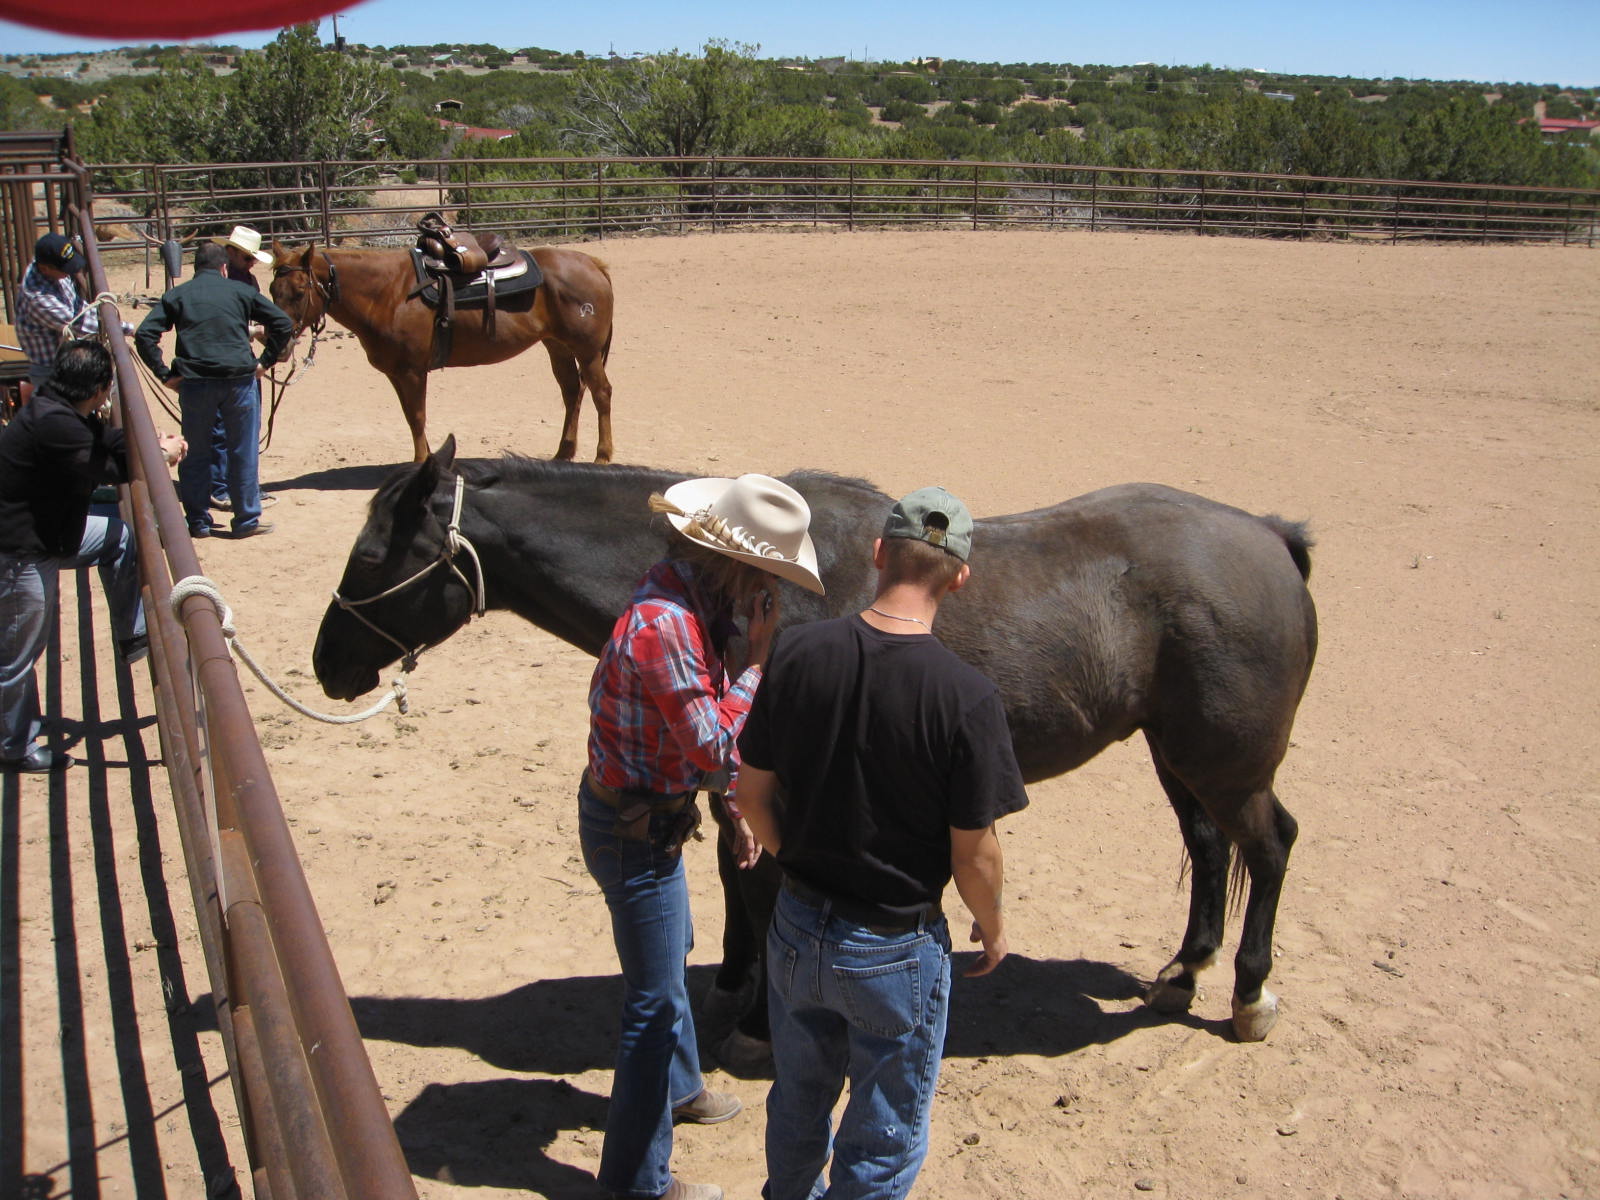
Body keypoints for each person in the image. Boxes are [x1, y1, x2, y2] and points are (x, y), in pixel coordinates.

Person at [737, 486, 1030, 1200]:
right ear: (959, 577)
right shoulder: (967, 699)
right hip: (894, 945)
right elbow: (975, 855)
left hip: (799, 924)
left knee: (797, 1101)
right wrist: (992, 928)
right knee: (883, 1136)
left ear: (877, 555)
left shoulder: (799, 651)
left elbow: (751, 796)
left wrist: (798, 862)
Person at [581, 473, 826, 1200]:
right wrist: (757, 661)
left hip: (646, 816)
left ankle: (682, 1088)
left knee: (672, 951)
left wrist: (732, 810)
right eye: (768, 577)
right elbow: (715, 747)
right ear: (742, 568)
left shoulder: (683, 596)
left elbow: (692, 738)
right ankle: (636, 1184)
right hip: (636, 828)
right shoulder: (668, 628)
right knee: (653, 1005)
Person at [0, 339, 185, 772]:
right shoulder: (57, 425)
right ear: (100, 390)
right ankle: (14, 746)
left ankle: (134, 633)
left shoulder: (58, 407)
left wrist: (148, 440)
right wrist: (162, 455)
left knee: (117, 538)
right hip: (22, 553)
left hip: (46, 536)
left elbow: (107, 439)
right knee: (18, 653)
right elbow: (111, 467)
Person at [134, 240, 292, 540]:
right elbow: (282, 323)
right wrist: (265, 361)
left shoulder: (177, 295)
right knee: (242, 449)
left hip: (195, 382)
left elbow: (145, 335)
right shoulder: (242, 291)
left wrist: (164, 374)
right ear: (223, 267)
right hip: (238, 380)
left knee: (195, 452)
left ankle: (198, 521)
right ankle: (245, 518)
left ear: (196, 268)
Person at [207, 225, 280, 514]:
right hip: (225, 359)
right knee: (223, 428)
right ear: (230, 253)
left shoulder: (249, 283)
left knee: (246, 427)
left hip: (244, 359)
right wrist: (257, 331)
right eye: (247, 258)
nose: (251, 264)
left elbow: (260, 318)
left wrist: (273, 339)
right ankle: (221, 487)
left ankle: (242, 485)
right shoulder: (219, 284)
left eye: (252, 259)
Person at [14, 232, 134, 395]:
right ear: (45, 269)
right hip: (53, 372)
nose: (70, 272)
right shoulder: (38, 299)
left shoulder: (47, 269)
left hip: (66, 361)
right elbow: (78, 323)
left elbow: (77, 305)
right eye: (65, 268)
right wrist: (126, 329)